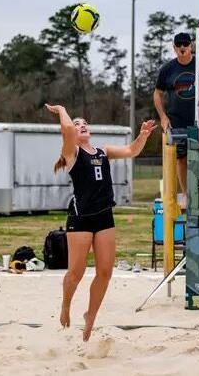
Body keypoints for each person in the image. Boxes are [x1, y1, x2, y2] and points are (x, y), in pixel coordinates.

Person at [46, 103, 156, 342]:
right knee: (76, 272)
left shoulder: (103, 152)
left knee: (105, 272)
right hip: (81, 218)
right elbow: (67, 129)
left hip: (104, 216)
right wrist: (62, 110)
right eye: (78, 124)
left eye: (85, 123)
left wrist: (143, 136)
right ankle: (66, 304)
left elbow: (131, 150)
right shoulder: (72, 152)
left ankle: (90, 316)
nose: (81, 126)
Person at [153, 32, 199, 205]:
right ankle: (186, 193)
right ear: (174, 47)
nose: (182, 48)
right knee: (181, 159)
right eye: (179, 45)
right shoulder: (167, 69)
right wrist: (163, 117)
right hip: (176, 122)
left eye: (185, 44)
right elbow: (157, 94)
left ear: (191, 46)